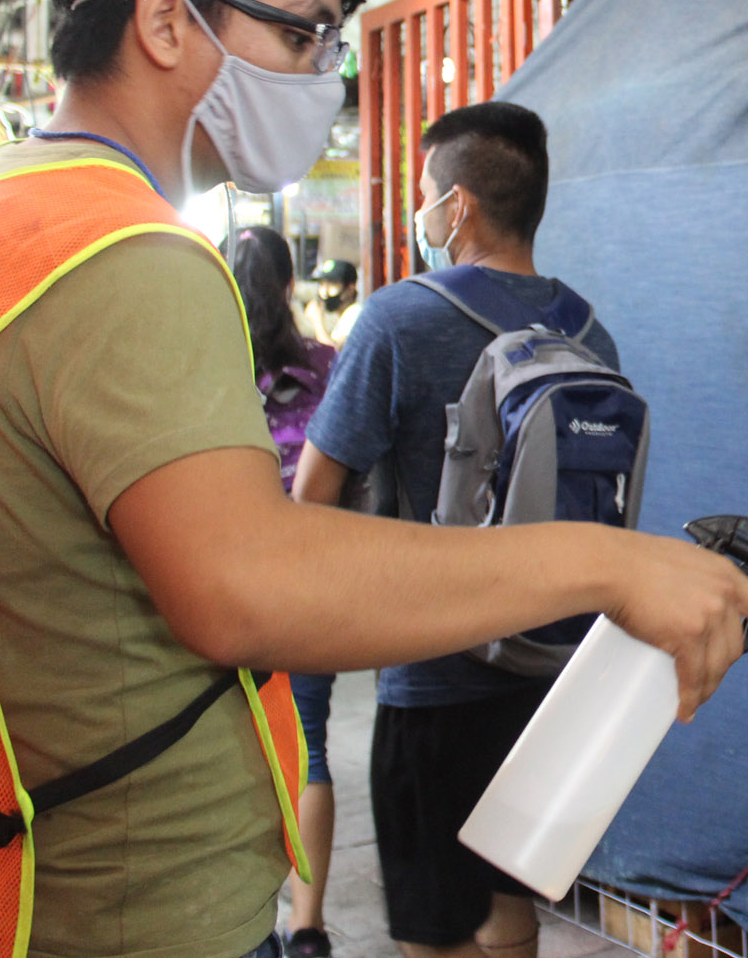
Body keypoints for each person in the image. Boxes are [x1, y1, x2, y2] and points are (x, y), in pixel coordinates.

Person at [0, 0, 748, 958]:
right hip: (124, 903)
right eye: (299, 30)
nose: (323, 70)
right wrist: (611, 560)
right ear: (166, 22)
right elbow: (249, 581)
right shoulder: (127, 252)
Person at [292, 101, 614, 958]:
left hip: (432, 679)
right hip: (549, 675)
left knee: (433, 932)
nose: (421, 213)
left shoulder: (400, 319)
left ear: (459, 206)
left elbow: (314, 492)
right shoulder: (590, 335)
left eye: (426, 194)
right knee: (512, 911)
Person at [231, 225, 341, 958]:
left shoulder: (207, 363)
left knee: (232, 745)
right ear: (287, 285)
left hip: (223, 581)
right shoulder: (327, 364)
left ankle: (247, 919)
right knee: (311, 749)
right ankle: (308, 926)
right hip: (312, 581)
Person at [304, 258, 360, 347]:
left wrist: (317, 321)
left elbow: (334, 352)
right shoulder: (343, 316)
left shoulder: (355, 312)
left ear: (350, 288)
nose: (325, 293)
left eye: (332, 285)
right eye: (322, 285)